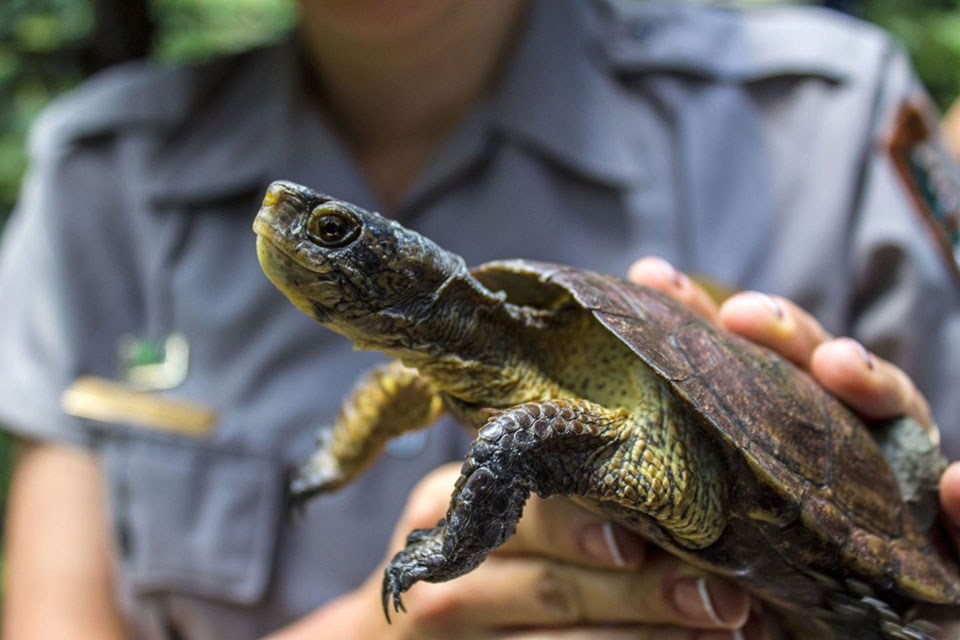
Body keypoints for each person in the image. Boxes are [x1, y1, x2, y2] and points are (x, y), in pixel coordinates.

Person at [1, 1, 958, 638]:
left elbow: (526, 436)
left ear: (403, 279)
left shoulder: (826, 122)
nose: (288, 222)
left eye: (331, 232)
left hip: (800, 533)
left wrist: (447, 547)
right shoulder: (103, 177)